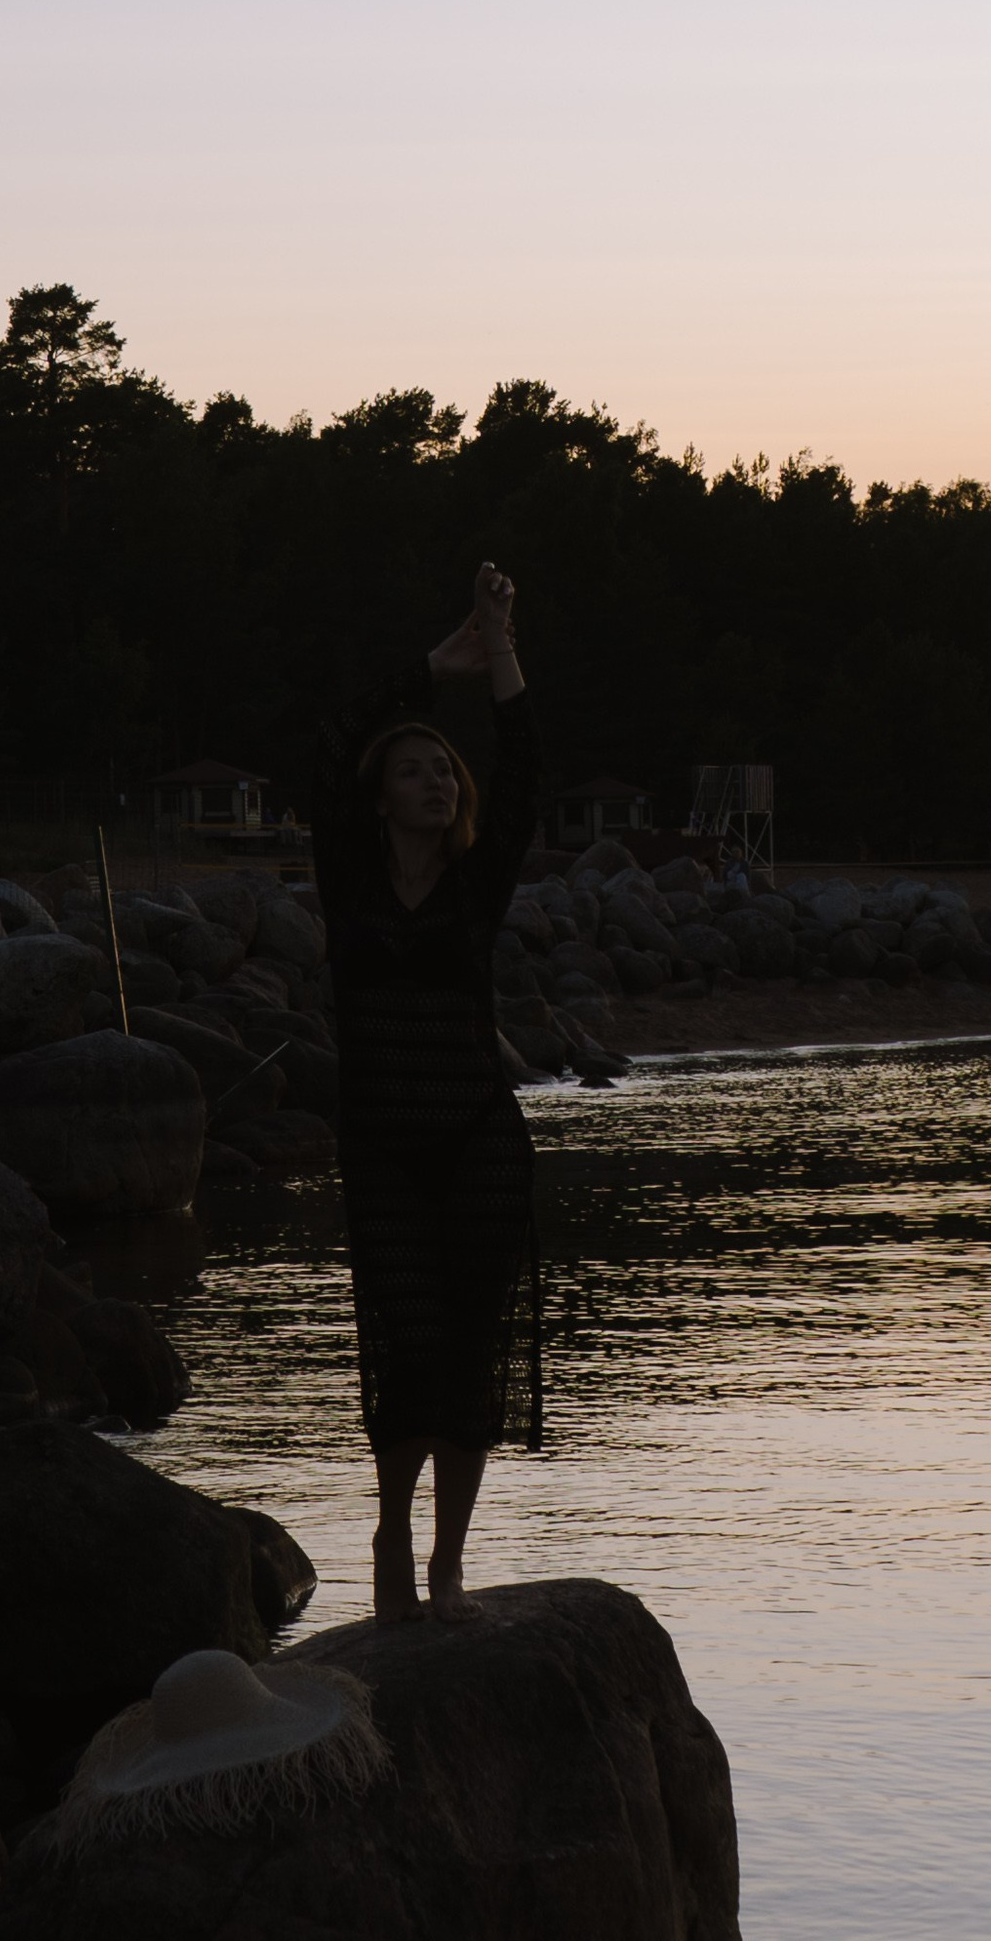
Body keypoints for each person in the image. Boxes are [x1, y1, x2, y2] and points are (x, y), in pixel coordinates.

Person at [309, 560, 541, 1624]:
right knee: (403, 1345)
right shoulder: (347, 877)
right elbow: (320, 747)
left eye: (444, 773)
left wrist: (498, 656)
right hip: (385, 1148)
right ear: (380, 795)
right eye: (411, 771)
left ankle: (449, 1561)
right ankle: (392, 1532)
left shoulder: (475, 887)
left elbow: (527, 767)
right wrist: (431, 669)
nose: (434, 782)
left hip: (477, 1141)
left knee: (467, 1354)